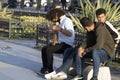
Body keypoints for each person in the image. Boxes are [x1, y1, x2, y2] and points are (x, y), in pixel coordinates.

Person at [45, 17, 115, 80]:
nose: (86, 30)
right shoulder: (90, 29)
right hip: (96, 50)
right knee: (76, 50)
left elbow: (99, 46)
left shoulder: (100, 29)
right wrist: (81, 48)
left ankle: (95, 77)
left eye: (86, 28)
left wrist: (86, 50)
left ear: (86, 27)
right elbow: (87, 41)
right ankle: (77, 74)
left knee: (94, 52)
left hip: (107, 52)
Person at [37, 8, 75, 75]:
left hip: (67, 44)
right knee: (44, 49)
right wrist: (54, 32)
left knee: (48, 50)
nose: (52, 20)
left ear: (56, 15)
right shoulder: (59, 22)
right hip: (60, 43)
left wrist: (59, 29)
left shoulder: (67, 21)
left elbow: (70, 33)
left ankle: (50, 70)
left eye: (52, 18)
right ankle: (45, 68)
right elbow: (56, 35)